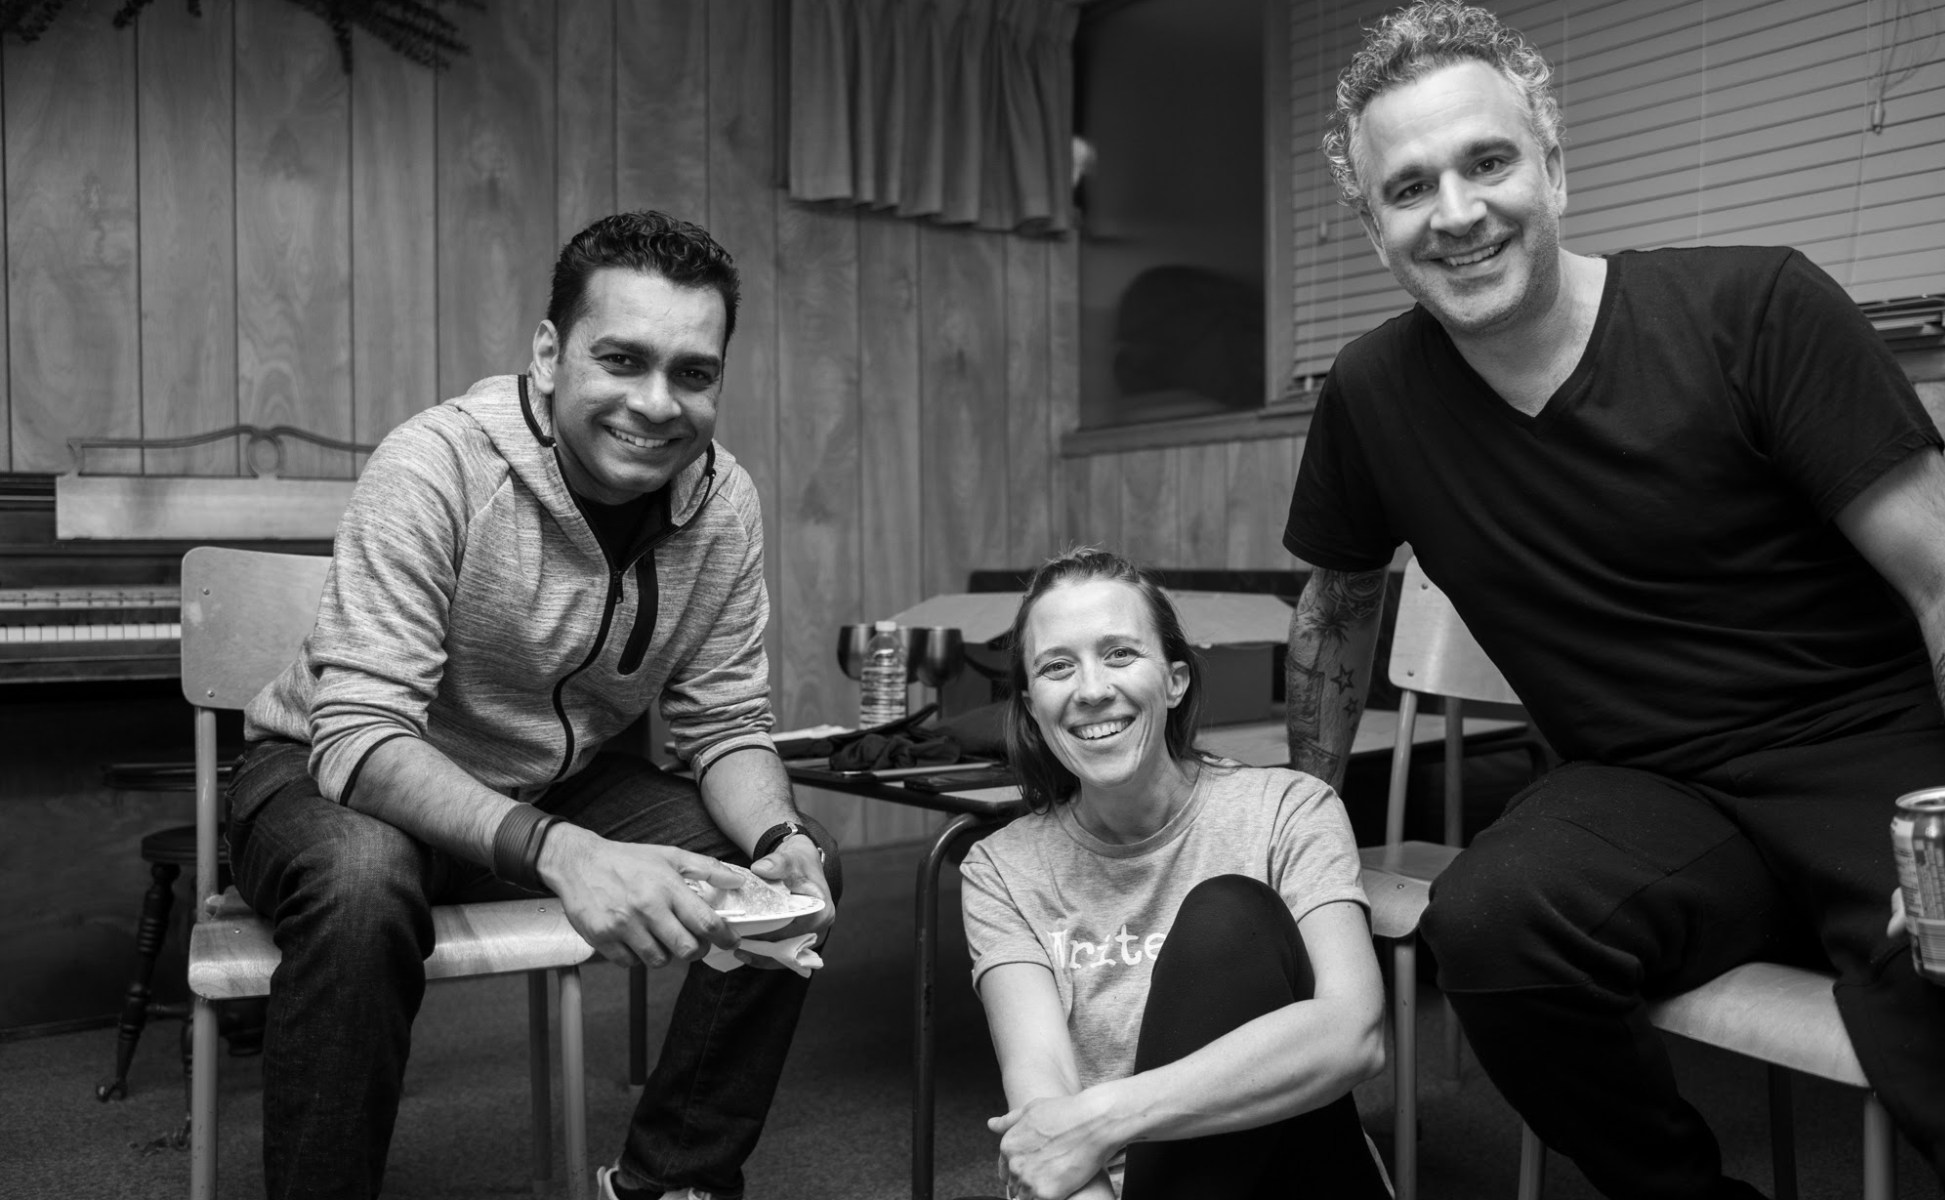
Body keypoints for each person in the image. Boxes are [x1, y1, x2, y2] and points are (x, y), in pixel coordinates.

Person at [1282, 4, 1945, 1198]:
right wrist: (1296, 829)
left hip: (1864, 751)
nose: (1454, 213)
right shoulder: (1369, 395)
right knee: (1492, 929)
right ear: (1372, 228)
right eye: (1407, 188)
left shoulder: (1754, 310)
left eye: (1486, 162)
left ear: (1553, 169)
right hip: (1644, 788)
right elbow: (1338, 604)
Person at [226, 210, 839, 1200]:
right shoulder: (437, 463)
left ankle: (668, 1183)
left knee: (794, 876)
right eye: (622, 359)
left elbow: (725, 724)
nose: (657, 403)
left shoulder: (725, 506)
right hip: (326, 778)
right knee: (361, 882)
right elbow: (360, 735)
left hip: (549, 785)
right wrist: (566, 854)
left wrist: (778, 837)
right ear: (550, 355)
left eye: (693, 373)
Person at [958, 548, 1391, 1200]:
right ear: (1031, 705)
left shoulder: (1288, 808)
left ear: (1175, 680)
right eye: (1056, 666)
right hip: (1129, 1188)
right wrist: (1079, 1159)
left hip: (1296, 1172)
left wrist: (1106, 1118)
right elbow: (1043, 1099)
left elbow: (1355, 1035)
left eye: (1119, 654)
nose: (1091, 690)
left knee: (1228, 916)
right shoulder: (1001, 868)